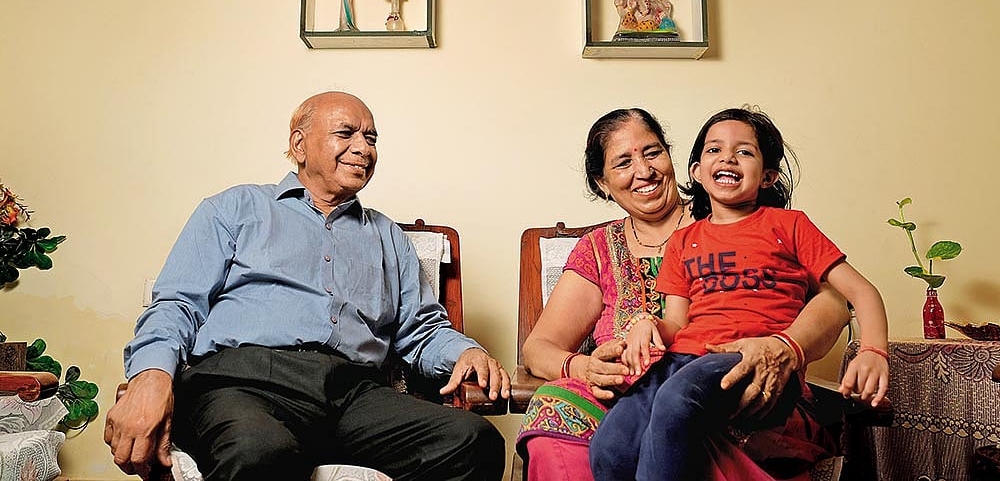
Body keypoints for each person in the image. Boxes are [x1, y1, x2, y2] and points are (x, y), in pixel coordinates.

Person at [104, 91, 509, 481]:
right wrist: (151, 375)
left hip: (353, 393)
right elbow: (177, 304)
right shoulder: (235, 208)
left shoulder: (387, 236)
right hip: (245, 381)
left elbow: (421, 331)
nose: (363, 148)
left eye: (371, 138)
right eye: (346, 133)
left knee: (473, 441)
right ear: (300, 144)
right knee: (260, 452)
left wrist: (466, 351)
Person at [516, 108, 851, 481]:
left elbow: (836, 300)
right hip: (625, 399)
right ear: (602, 183)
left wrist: (783, 347)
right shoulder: (597, 249)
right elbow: (538, 348)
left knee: (682, 414)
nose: (644, 171)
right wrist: (584, 367)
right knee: (555, 409)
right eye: (624, 162)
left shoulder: (730, 211)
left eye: (653, 152)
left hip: (733, 387)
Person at [589, 106, 889, 480]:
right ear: (696, 171)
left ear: (768, 176)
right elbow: (676, 324)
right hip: (683, 359)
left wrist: (874, 351)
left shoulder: (789, 226)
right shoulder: (683, 241)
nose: (728, 157)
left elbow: (861, 291)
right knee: (612, 440)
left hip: (746, 360)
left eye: (744, 151)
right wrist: (645, 325)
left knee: (676, 399)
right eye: (714, 149)